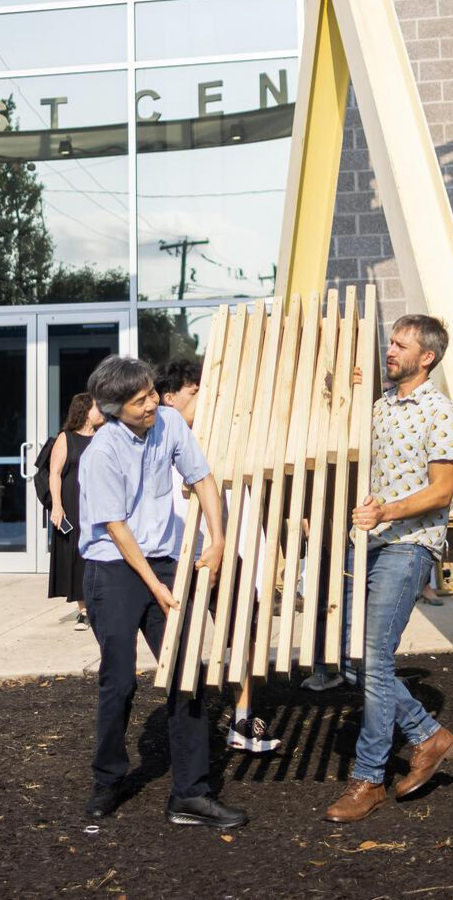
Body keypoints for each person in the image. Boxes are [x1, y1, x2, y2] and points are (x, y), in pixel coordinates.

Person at [78, 355, 247, 829]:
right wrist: (156, 588)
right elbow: (116, 528)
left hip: (165, 559)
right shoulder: (101, 454)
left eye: (153, 392)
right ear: (113, 409)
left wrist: (217, 541)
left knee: (184, 670)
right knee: (120, 680)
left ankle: (190, 794)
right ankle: (108, 778)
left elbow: (203, 479)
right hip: (113, 568)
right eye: (140, 400)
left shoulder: (168, 421)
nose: (153, 402)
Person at [324, 315, 453, 823]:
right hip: (366, 541)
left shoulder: (442, 412)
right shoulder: (381, 406)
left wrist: (386, 511)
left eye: (400, 344)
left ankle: (368, 780)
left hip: (408, 545)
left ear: (426, 357)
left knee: (373, 655)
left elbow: (441, 491)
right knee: (349, 658)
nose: (390, 349)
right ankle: (429, 735)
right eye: (391, 341)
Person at [158, 355, 281, 756]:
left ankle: (243, 718)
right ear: (170, 398)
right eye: (196, 392)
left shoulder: (228, 434)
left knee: (242, 632)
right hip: (182, 554)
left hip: (229, 548)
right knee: (182, 640)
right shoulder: (158, 437)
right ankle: (189, 725)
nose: (206, 399)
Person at [46, 392, 103, 631]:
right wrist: (57, 505)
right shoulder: (66, 438)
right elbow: (55, 474)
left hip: (99, 503)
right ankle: (84, 610)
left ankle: (100, 602)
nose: (101, 411)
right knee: (78, 554)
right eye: (97, 407)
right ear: (85, 411)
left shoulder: (104, 437)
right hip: (73, 503)